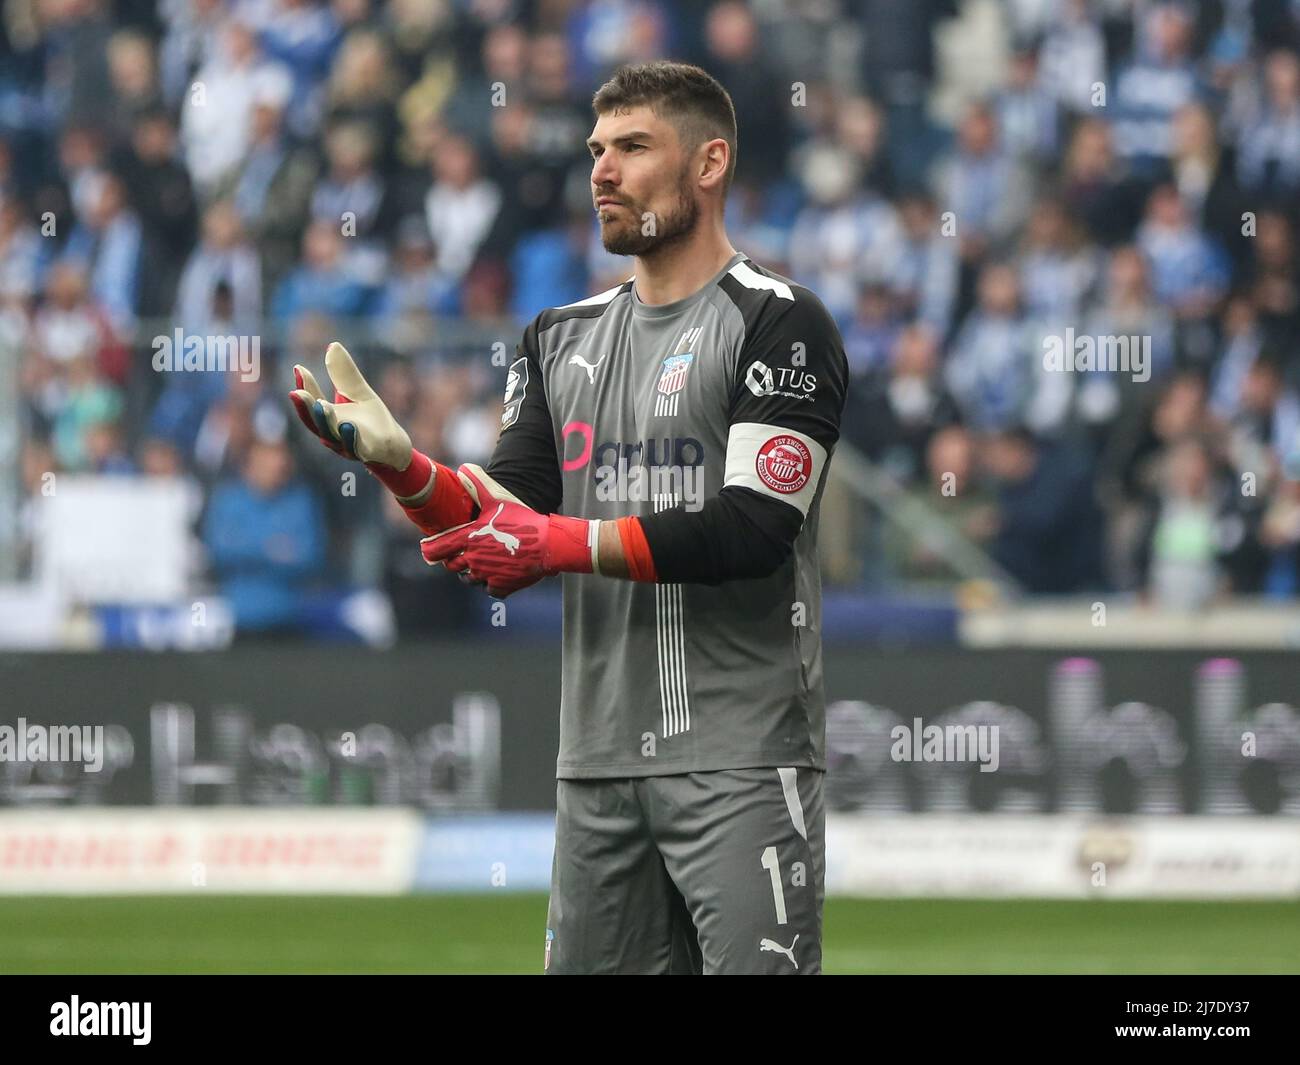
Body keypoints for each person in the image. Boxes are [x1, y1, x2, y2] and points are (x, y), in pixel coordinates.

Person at [289, 62, 847, 974]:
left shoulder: (782, 324)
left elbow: (752, 529)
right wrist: (404, 466)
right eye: (597, 151)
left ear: (709, 164)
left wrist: (559, 542)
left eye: (632, 148)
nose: (602, 171)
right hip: (595, 765)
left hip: (741, 761)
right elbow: (508, 520)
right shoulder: (557, 336)